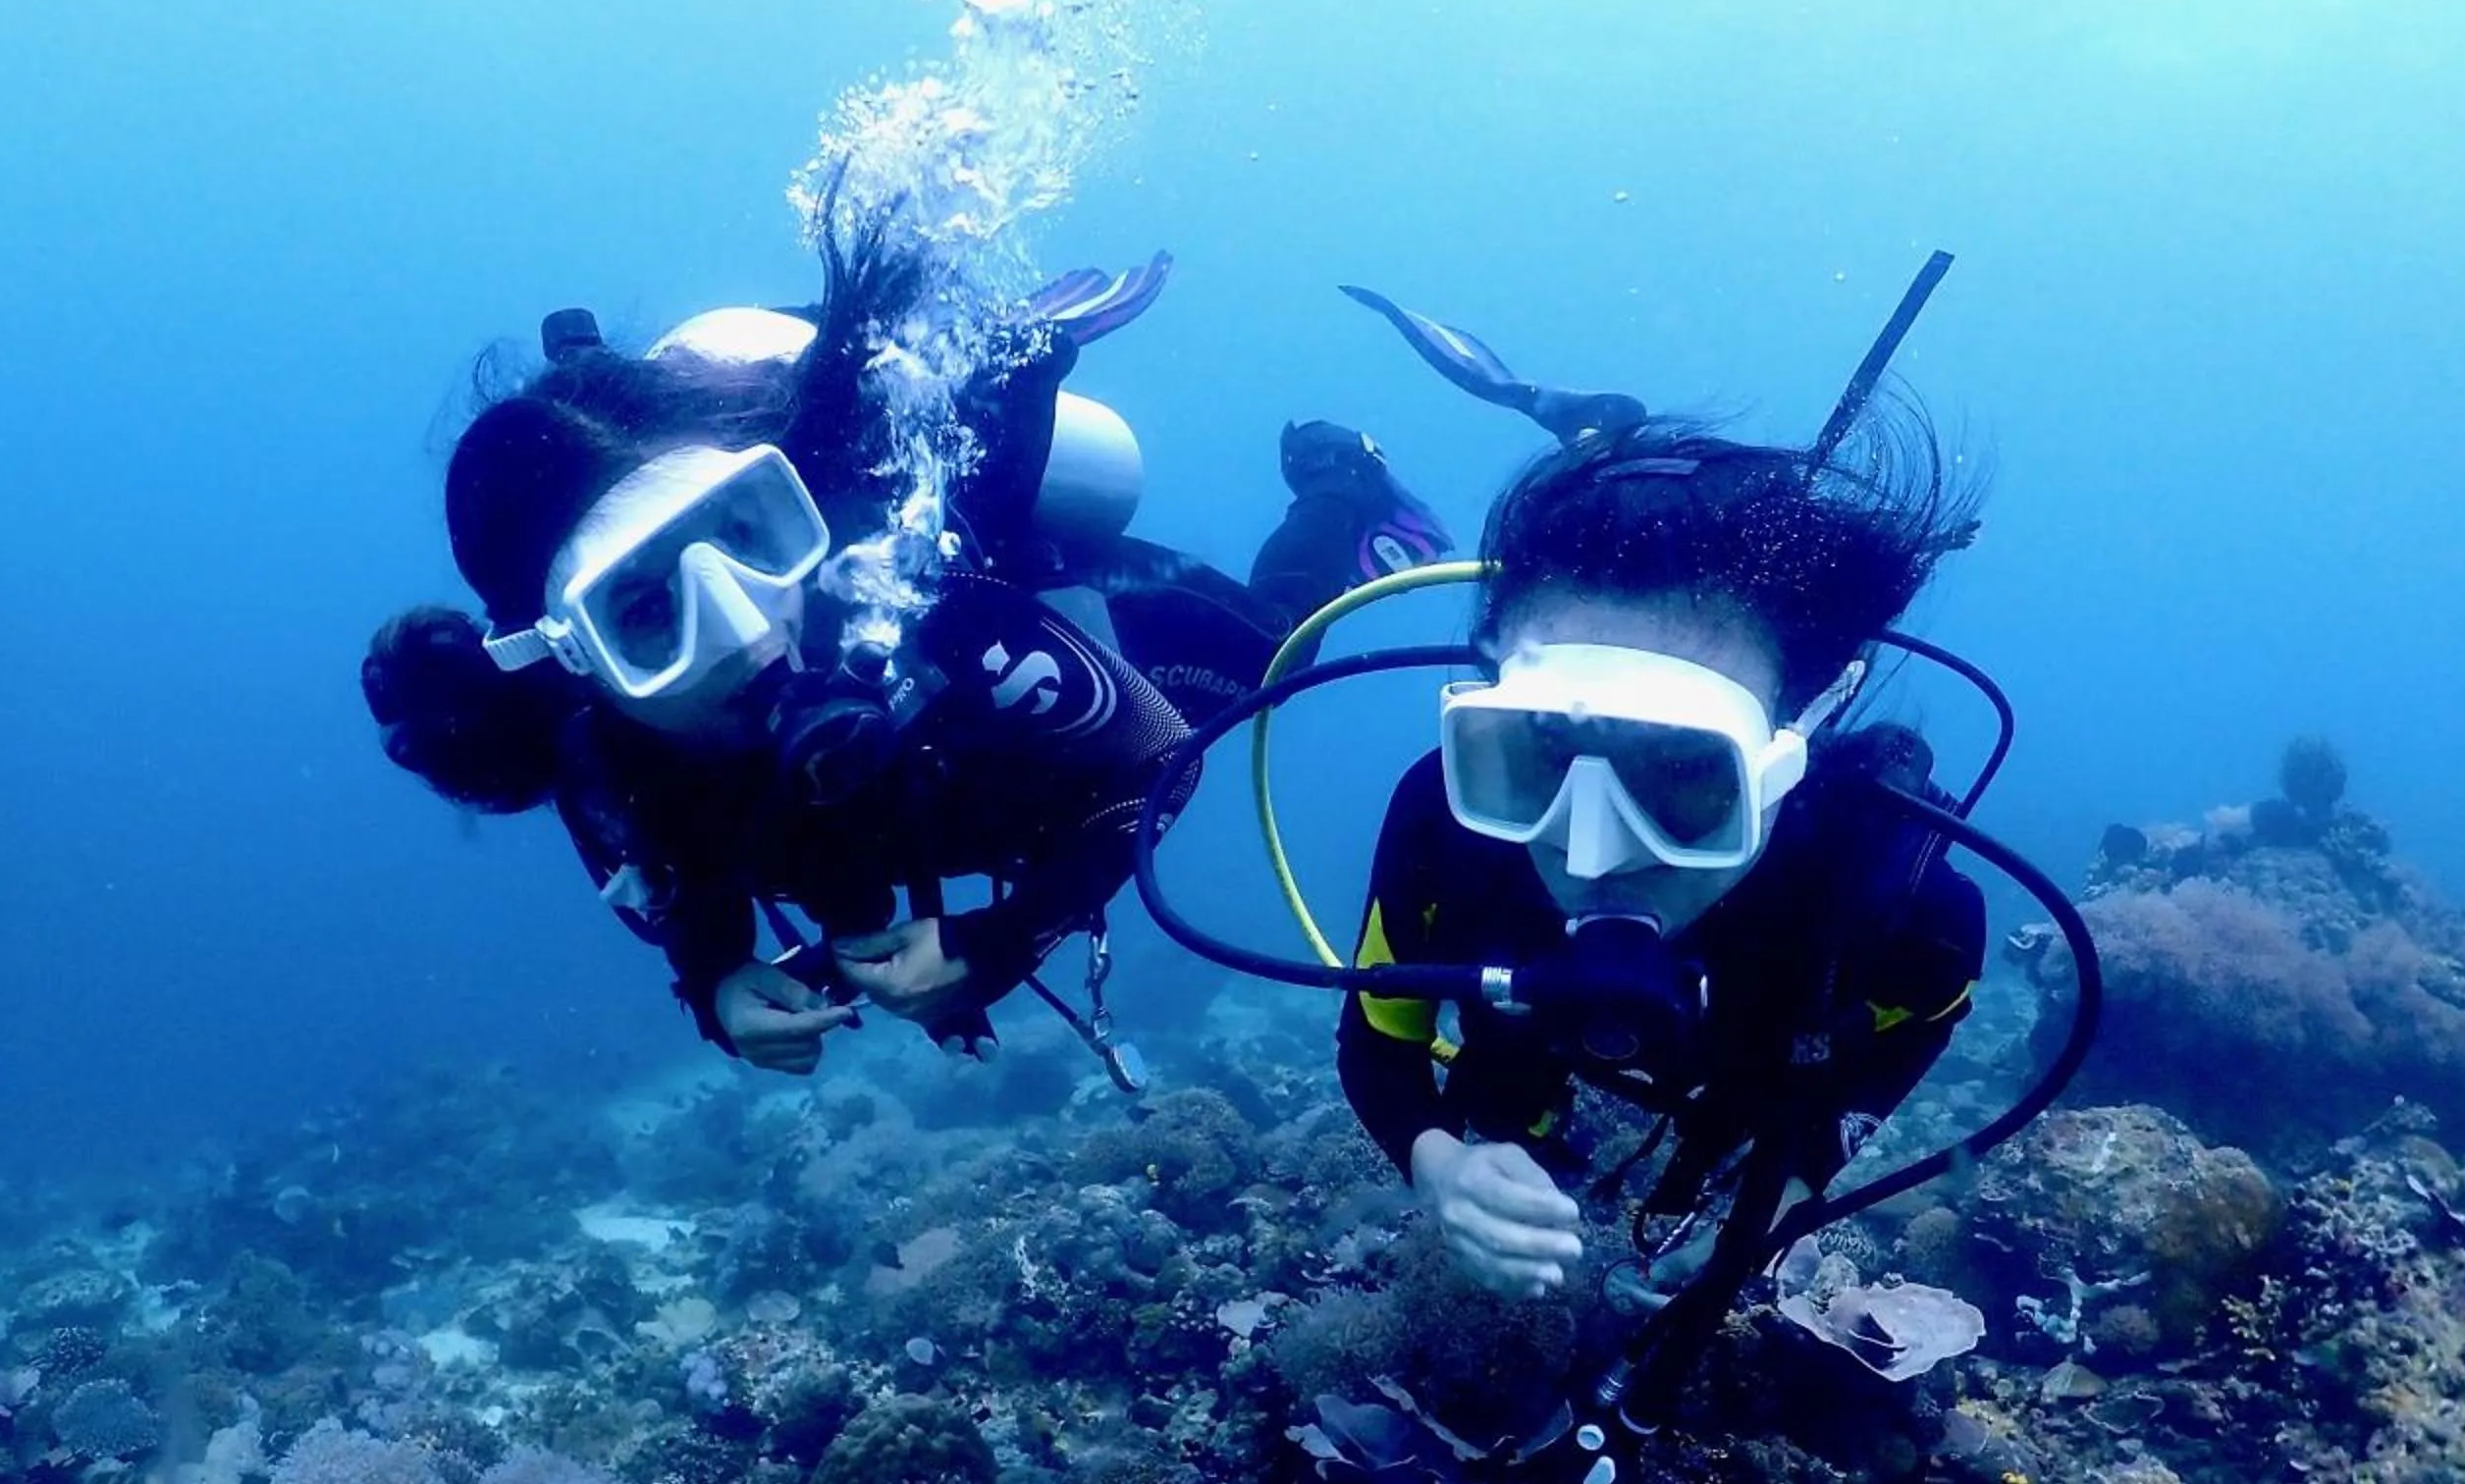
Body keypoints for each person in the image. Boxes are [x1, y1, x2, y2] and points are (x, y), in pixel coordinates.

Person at [362, 223, 1431, 1078]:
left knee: (1267, 659)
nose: (740, 629)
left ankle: (1341, 481)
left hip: (1041, 658)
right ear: (568, 655)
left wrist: (1005, 941)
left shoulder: (915, 599)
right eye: (641, 613)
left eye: (744, 538)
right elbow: (677, 893)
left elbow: (1161, 758)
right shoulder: (589, 747)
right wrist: (719, 989)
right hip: (924, 817)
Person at [1334, 412, 1988, 1298]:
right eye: (1542, 752)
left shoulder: (1895, 901)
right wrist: (1438, 1163)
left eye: (1684, 773)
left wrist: (1794, 1183)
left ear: (1795, 742)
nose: (1591, 849)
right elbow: (1378, 1043)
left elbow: (1922, 1020)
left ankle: (1606, 430)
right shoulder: (1444, 821)